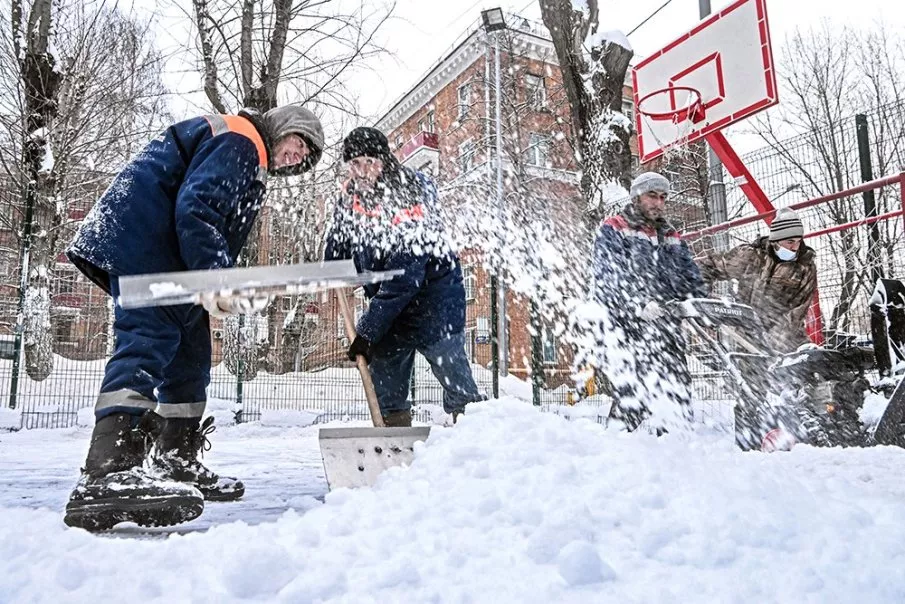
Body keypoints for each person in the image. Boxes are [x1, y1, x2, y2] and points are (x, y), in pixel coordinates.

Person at [63, 105, 324, 530]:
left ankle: (175, 459)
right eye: (299, 144)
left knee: (190, 354)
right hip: (147, 244)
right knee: (147, 340)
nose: (297, 157)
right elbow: (197, 208)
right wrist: (217, 277)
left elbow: (205, 216)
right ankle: (106, 473)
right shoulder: (242, 140)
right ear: (283, 128)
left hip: (170, 255)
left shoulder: (246, 153)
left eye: (305, 158)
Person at [324, 126, 483, 427]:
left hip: (433, 301)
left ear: (384, 160)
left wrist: (368, 329)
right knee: (386, 385)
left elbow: (405, 275)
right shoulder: (352, 198)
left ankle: (475, 437)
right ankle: (395, 451)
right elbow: (336, 254)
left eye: (368, 162)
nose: (361, 171)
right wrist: (338, 239)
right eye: (354, 164)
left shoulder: (411, 191)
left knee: (453, 373)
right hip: (389, 307)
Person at [590, 172, 705, 432]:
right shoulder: (616, 227)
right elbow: (609, 276)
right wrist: (637, 305)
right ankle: (619, 446)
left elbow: (690, 275)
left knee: (676, 389)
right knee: (635, 392)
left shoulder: (671, 235)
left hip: (667, 326)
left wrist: (701, 304)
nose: (658, 203)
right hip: (627, 326)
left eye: (663, 197)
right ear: (637, 196)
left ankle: (675, 447)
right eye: (652, 195)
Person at [696, 208, 817, 353]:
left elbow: (796, 314)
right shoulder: (751, 256)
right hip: (746, 339)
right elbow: (709, 266)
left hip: (785, 342)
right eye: (790, 242)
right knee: (747, 373)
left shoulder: (804, 268)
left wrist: (772, 346)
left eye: (799, 241)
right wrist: (701, 294)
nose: (795, 247)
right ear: (776, 240)